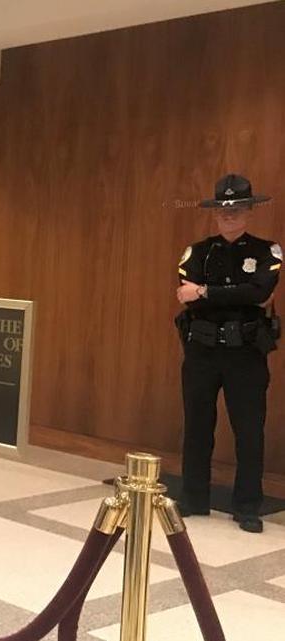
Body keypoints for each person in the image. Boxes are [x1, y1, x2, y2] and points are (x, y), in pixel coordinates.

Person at [175, 173, 278, 534]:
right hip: (202, 350)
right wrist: (235, 293)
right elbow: (187, 292)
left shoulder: (267, 251)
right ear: (215, 213)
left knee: (249, 430)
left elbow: (261, 292)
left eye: (236, 210)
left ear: (249, 211)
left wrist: (204, 293)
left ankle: (248, 506)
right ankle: (193, 498)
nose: (229, 216)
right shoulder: (198, 251)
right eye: (223, 211)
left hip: (245, 353)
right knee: (197, 426)